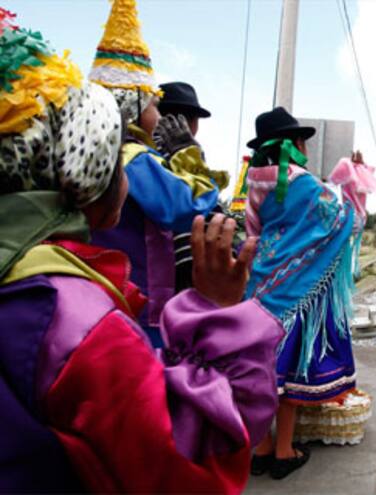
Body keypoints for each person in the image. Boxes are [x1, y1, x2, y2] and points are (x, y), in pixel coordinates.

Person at [0, 13, 282, 492]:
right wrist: (218, 311)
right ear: (85, 173)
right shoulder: (72, 325)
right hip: (136, 308)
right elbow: (188, 203)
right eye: (153, 103)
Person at [88, 0, 224, 347]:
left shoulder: (97, 153)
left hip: (102, 292)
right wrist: (187, 153)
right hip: (138, 298)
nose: (158, 114)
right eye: (153, 105)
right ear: (132, 108)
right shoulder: (133, 156)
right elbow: (191, 207)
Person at [244, 107, 360, 479]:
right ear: (293, 144)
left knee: (261, 370)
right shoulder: (303, 181)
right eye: (302, 142)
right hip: (296, 288)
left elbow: (252, 233)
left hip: (261, 285)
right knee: (288, 373)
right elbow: (345, 221)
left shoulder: (254, 179)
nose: (306, 149)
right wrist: (354, 183)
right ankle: (283, 452)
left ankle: (260, 448)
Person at [156, 81, 229, 293]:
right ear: (192, 122)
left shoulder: (143, 149)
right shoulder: (187, 151)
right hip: (189, 257)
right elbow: (204, 198)